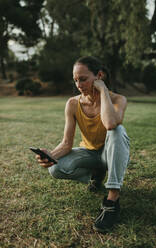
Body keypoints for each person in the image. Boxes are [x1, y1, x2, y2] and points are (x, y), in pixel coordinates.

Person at [36, 56, 130, 233]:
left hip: (113, 154)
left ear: (99, 76)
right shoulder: (72, 104)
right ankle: (97, 172)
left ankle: (112, 200)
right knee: (55, 168)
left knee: (117, 131)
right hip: (90, 154)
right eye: (76, 80)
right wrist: (50, 157)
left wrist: (102, 91)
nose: (78, 84)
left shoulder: (119, 100)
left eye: (83, 79)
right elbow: (66, 143)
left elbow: (110, 124)